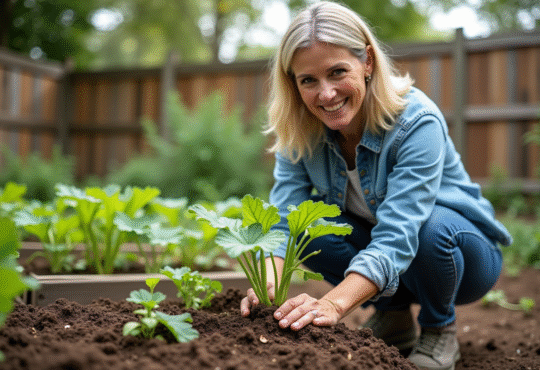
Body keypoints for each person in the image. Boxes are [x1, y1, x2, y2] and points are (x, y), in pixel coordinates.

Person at [239, 2, 513, 370]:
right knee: (310, 229)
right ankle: (394, 316)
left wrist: (334, 304)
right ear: (294, 83)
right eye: (308, 80)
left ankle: (439, 327)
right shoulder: (299, 131)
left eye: (338, 72)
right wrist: (267, 282)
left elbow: (401, 232)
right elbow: (286, 214)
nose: (326, 94)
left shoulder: (416, 121)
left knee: (429, 228)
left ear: (367, 61)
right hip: (395, 262)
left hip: (462, 259)